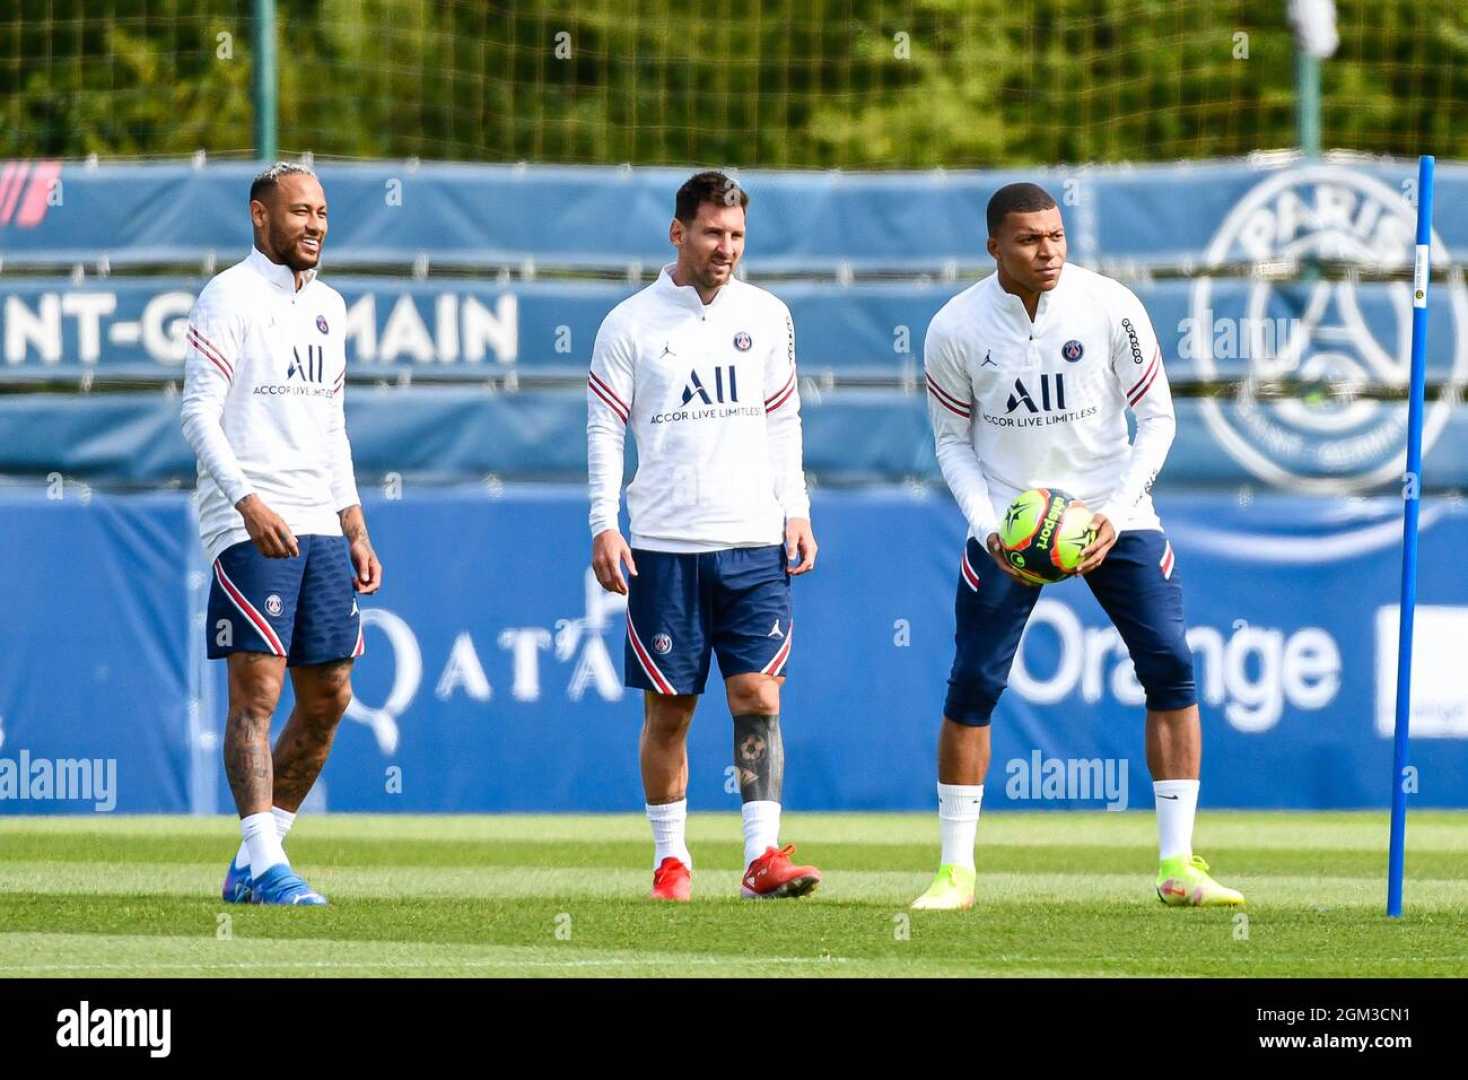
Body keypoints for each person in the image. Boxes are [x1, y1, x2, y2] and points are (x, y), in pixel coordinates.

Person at [912, 181, 1245, 911]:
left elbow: (1156, 421)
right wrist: (989, 525)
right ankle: (954, 873)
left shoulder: (1112, 306)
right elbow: (950, 442)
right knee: (972, 685)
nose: (1049, 250)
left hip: (1110, 512)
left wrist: (1114, 515)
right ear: (994, 246)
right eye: (1030, 239)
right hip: (1009, 522)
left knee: (1172, 665)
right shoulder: (954, 328)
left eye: (1057, 236)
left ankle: (1177, 864)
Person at [586, 170, 821, 902]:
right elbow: (603, 428)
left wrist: (798, 508)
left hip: (754, 541)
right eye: (714, 233)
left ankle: (759, 859)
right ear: (678, 232)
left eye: (738, 236)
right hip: (663, 543)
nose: (727, 248)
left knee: (758, 694)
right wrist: (603, 521)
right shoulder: (629, 324)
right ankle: (671, 858)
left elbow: (784, 419)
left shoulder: (769, 315)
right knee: (671, 710)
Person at [180, 161, 381, 907]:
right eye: (300, 211)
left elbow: (331, 427)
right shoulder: (227, 296)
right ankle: (267, 866)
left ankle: (255, 858)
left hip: (320, 521)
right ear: (260, 216)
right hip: (249, 520)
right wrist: (247, 501)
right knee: (257, 693)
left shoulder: (328, 307)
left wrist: (354, 524)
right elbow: (198, 413)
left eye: (323, 212)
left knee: (330, 695)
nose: (316, 225)